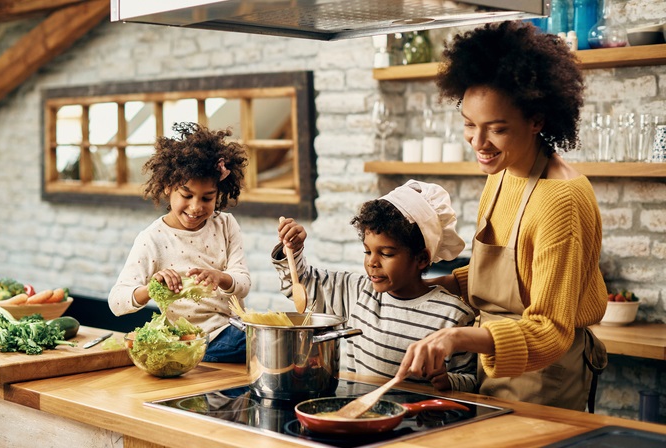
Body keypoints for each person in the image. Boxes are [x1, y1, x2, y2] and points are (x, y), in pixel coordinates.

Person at [394, 21, 608, 411]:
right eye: (469, 125)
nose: (479, 143)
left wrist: (456, 338)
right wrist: (429, 284)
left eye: (497, 129)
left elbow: (550, 331)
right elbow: (504, 276)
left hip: (545, 378)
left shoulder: (561, 200)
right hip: (489, 366)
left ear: (537, 121)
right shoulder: (504, 172)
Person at [274, 180, 477, 392]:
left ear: (421, 259)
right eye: (367, 251)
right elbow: (299, 286)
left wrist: (448, 381)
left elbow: (472, 382)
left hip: (421, 421)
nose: (372, 262)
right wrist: (293, 250)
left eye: (386, 253)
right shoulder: (357, 292)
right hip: (360, 415)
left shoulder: (453, 314)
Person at [108, 122, 251, 363]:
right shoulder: (152, 238)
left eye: (208, 198)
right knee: (261, 342)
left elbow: (243, 283)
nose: (196, 207)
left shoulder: (226, 225)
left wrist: (220, 277)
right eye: (186, 196)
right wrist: (152, 288)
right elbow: (117, 302)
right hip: (190, 343)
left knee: (263, 334)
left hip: (232, 332)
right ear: (167, 187)